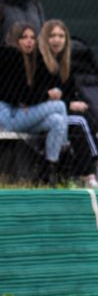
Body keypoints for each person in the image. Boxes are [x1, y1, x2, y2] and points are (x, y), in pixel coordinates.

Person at [38, 20, 98, 189]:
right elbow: (37, 96)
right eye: (52, 36)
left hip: (60, 112)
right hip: (41, 115)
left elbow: (66, 94)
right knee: (79, 121)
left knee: (86, 117)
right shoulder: (40, 62)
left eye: (61, 36)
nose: (57, 40)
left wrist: (71, 103)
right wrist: (68, 104)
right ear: (45, 39)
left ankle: (89, 175)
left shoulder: (65, 64)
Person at [0, 23, 67, 185]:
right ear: (15, 39)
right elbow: (18, 93)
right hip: (8, 118)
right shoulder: (10, 55)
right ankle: (65, 149)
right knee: (59, 106)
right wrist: (44, 96)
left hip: (21, 115)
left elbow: (30, 93)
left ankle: (50, 171)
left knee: (57, 121)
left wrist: (29, 99)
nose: (29, 41)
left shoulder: (32, 60)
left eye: (32, 38)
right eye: (24, 38)